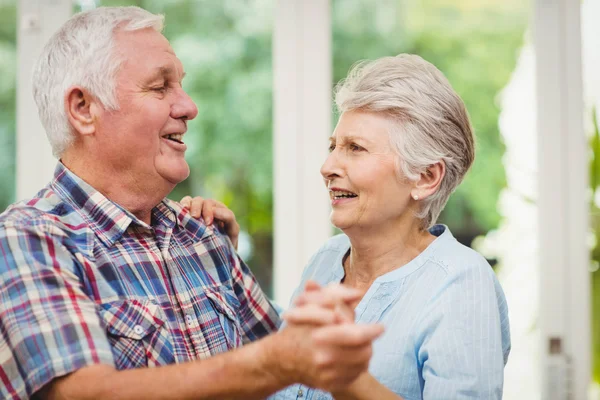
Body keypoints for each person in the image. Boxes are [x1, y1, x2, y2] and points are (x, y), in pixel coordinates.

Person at [0, 7, 384, 400]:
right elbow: (83, 394)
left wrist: (325, 338)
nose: (189, 106)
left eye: (180, 85)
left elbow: (296, 372)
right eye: (159, 87)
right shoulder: (28, 238)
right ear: (84, 109)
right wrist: (276, 361)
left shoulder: (201, 235)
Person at [185, 54, 511, 399]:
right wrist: (223, 261)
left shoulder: (461, 282)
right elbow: (278, 363)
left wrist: (348, 380)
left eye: (355, 148)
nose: (327, 166)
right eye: (333, 146)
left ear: (426, 177)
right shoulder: (327, 259)